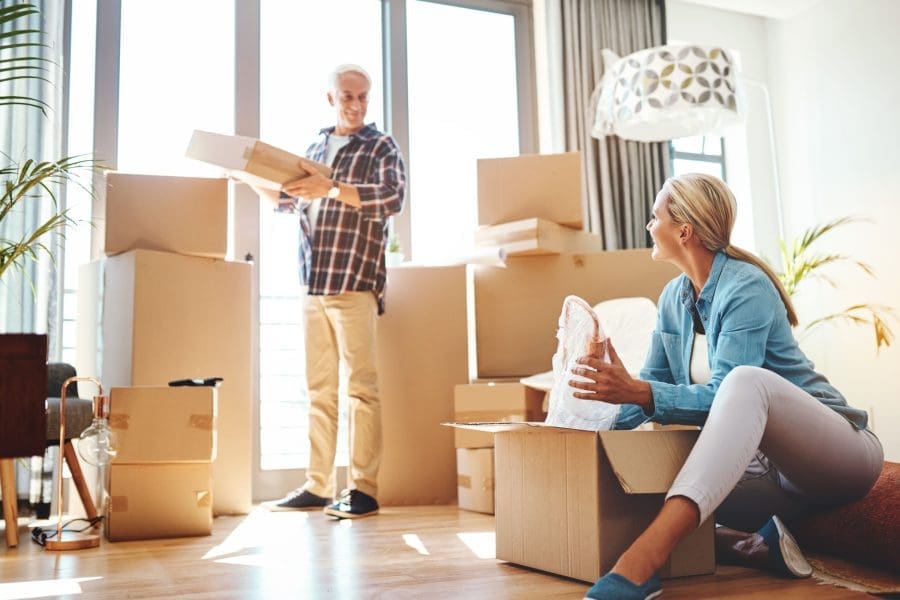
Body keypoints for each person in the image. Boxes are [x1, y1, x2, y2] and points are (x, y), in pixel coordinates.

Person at [568, 173, 883, 599]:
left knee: (744, 381)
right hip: (769, 479)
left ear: (684, 230)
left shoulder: (745, 286)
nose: (648, 225)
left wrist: (639, 392)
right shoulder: (672, 299)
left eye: (654, 215)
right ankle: (749, 544)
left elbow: (723, 394)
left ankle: (640, 566)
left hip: (839, 457)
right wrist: (593, 437)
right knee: (647, 487)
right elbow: (651, 386)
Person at [255, 64, 406, 519]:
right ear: (331, 99)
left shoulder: (381, 145)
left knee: (361, 388)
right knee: (319, 389)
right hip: (313, 284)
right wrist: (247, 177)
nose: (356, 105)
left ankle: (363, 488)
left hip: (354, 280)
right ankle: (318, 485)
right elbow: (287, 201)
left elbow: (391, 197)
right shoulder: (315, 148)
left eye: (363, 97)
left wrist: (334, 188)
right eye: (347, 97)